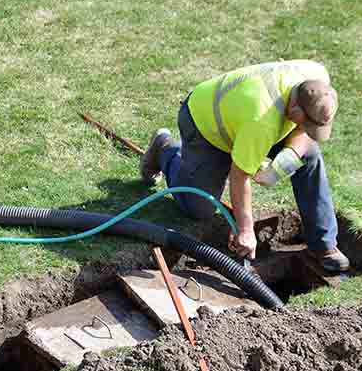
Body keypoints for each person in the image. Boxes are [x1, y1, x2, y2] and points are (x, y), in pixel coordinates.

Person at [139, 60, 349, 272]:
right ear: (294, 107)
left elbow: (304, 134)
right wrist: (246, 230)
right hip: (205, 124)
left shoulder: (317, 79)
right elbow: (239, 176)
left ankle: (323, 244)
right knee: (198, 208)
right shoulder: (261, 120)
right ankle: (165, 148)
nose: (307, 128)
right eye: (306, 123)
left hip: (242, 119)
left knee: (310, 155)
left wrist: (285, 162)